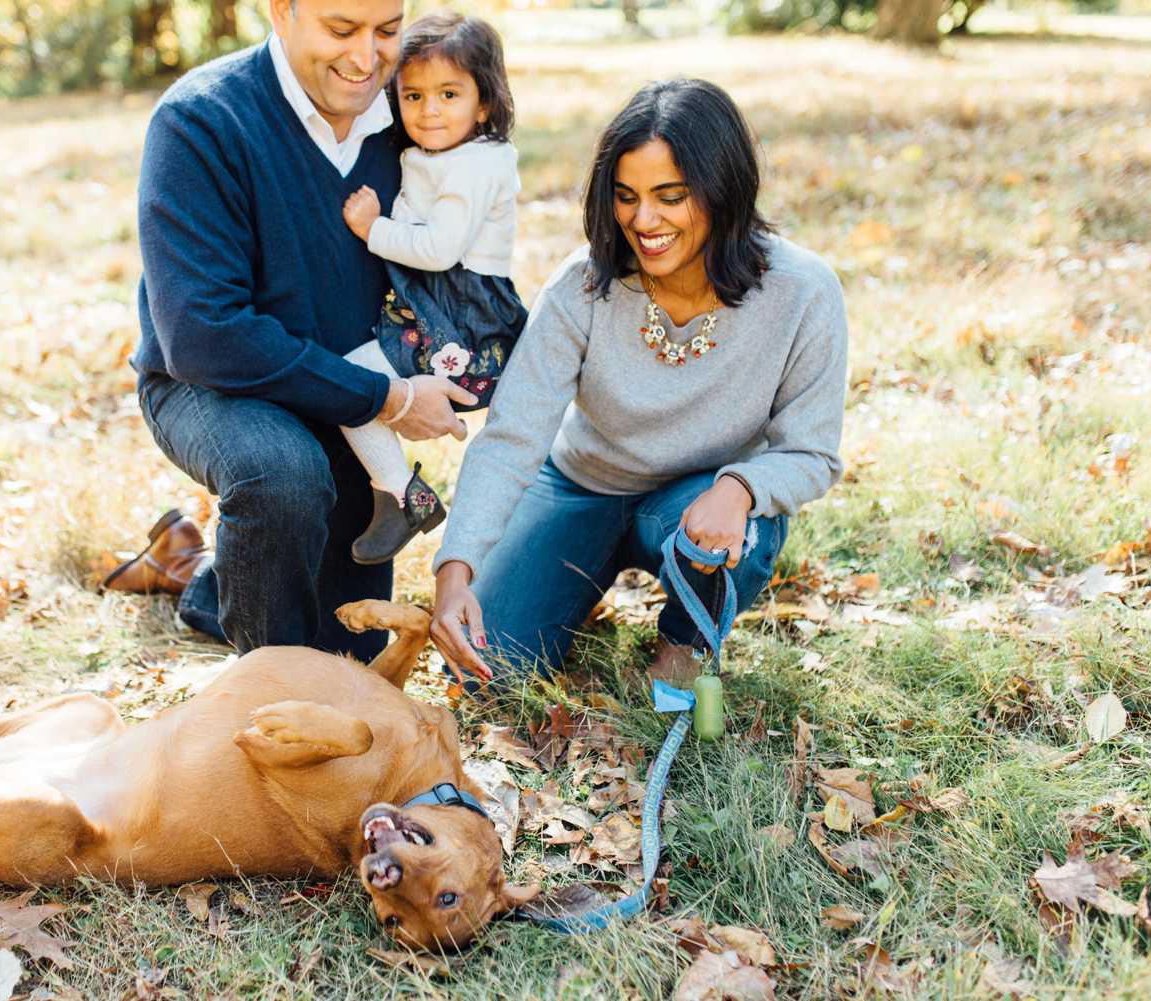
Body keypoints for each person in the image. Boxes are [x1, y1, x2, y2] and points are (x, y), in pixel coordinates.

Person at [428, 78, 849, 686]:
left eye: (670, 197)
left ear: (722, 190)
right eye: (626, 196)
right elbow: (512, 435)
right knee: (486, 670)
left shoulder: (803, 291)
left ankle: (683, 640)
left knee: (745, 533)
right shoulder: (584, 284)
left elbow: (811, 451)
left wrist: (739, 489)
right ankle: (572, 575)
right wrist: (454, 569)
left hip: (698, 501)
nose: (642, 220)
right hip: (581, 482)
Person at [103, 0, 476, 662]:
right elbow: (202, 334)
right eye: (341, 30)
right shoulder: (201, 121)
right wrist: (387, 400)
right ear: (281, 12)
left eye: (387, 31)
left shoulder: (415, 114)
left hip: (345, 382)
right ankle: (265, 688)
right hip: (210, 381)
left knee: (343, 652)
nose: (367, 59)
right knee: (283, 479)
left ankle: (193, 569)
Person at [336, 12, 526, 566]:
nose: (430, 110)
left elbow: (441, 249)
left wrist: (374, 229)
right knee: (351, 376)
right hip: (432, 301)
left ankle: (404, 496)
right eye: (413, 96)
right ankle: (405, 497)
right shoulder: (441, 153)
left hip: (459, 315)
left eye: (449, 93)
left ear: (485, 103)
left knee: (350, 375)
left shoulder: (474, 164)